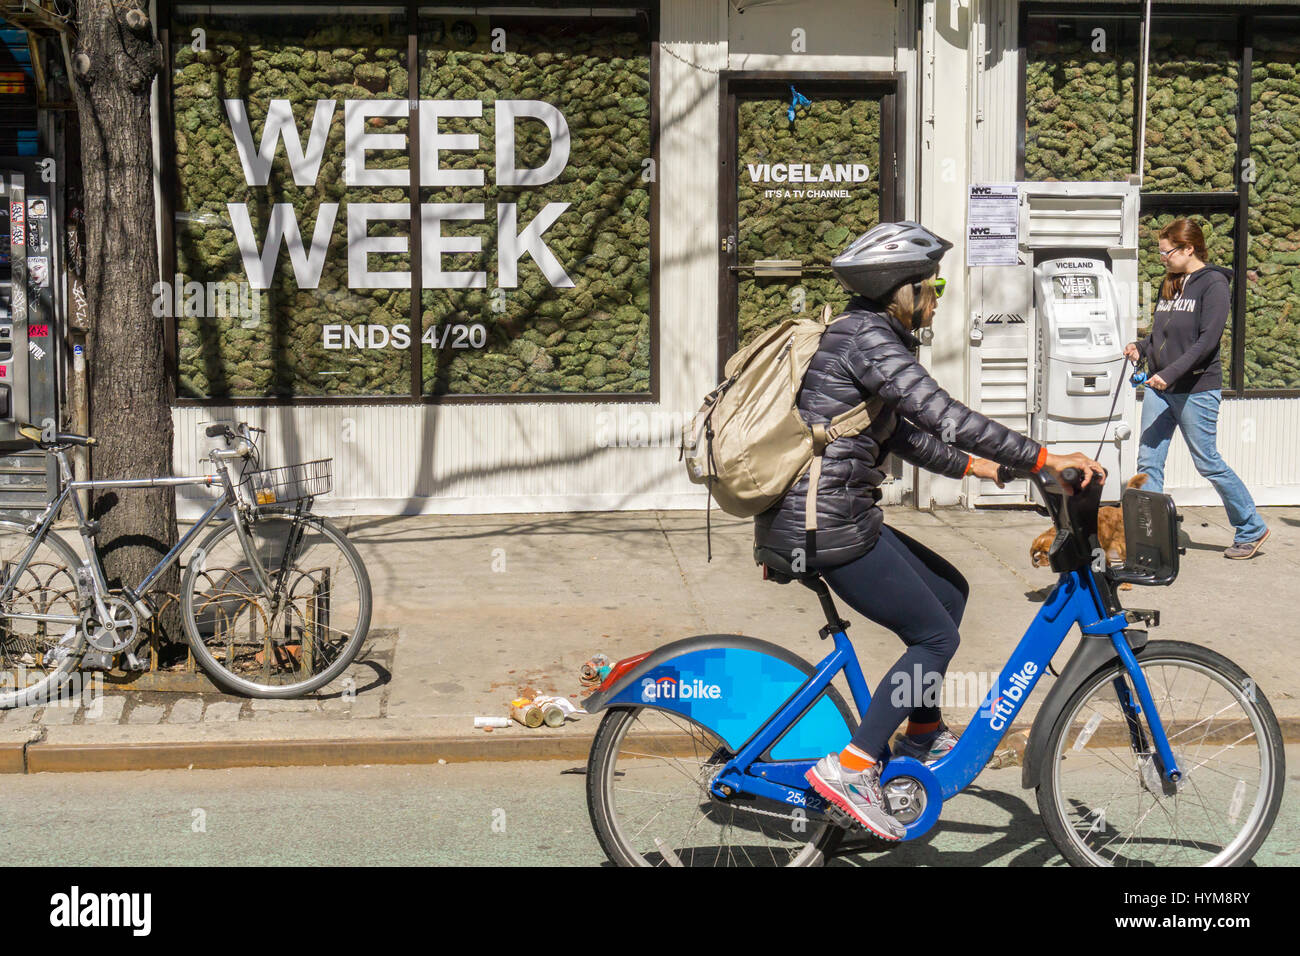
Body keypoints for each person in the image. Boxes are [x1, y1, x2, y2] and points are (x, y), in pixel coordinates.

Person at [752, 220, 1106, 841]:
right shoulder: (868, 338)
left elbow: (905, 434)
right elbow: (942, 413)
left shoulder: (869, 336)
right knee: (935, 638)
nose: (938, 296)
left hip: (837, 514)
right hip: (824, 523)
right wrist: (1044, 458)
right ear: (901, 289)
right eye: (932, 284)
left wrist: (986, 467)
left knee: (950, 594)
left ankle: (918, 732)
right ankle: (854, 767)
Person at [1124, 218, 1269, 560]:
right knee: (1148, 460)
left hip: (1195, 389)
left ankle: (1251, 526)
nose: (1162, 258)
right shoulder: (1172, 283)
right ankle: (1154, 538)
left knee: (1207, 461)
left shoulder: (1214, 283)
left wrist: (1170, 373)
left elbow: (1206, 341)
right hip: (1161, 388)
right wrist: (1141, 348)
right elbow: (1163, 333)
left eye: (1167, 251)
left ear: (1189, 248)